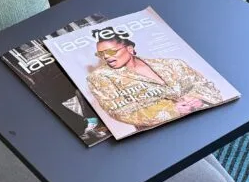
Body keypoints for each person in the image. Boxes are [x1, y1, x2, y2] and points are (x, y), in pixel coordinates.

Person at [86, 32, 223, 130]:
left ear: (129, 48)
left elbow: (202, 83)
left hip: (202, 114)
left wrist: (196, 98)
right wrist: (173, 110)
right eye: (100, 54)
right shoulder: (100, 77)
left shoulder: (171, 63)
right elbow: (119, 110)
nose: (106, 57)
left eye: (110, 51)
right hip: (162, 130)